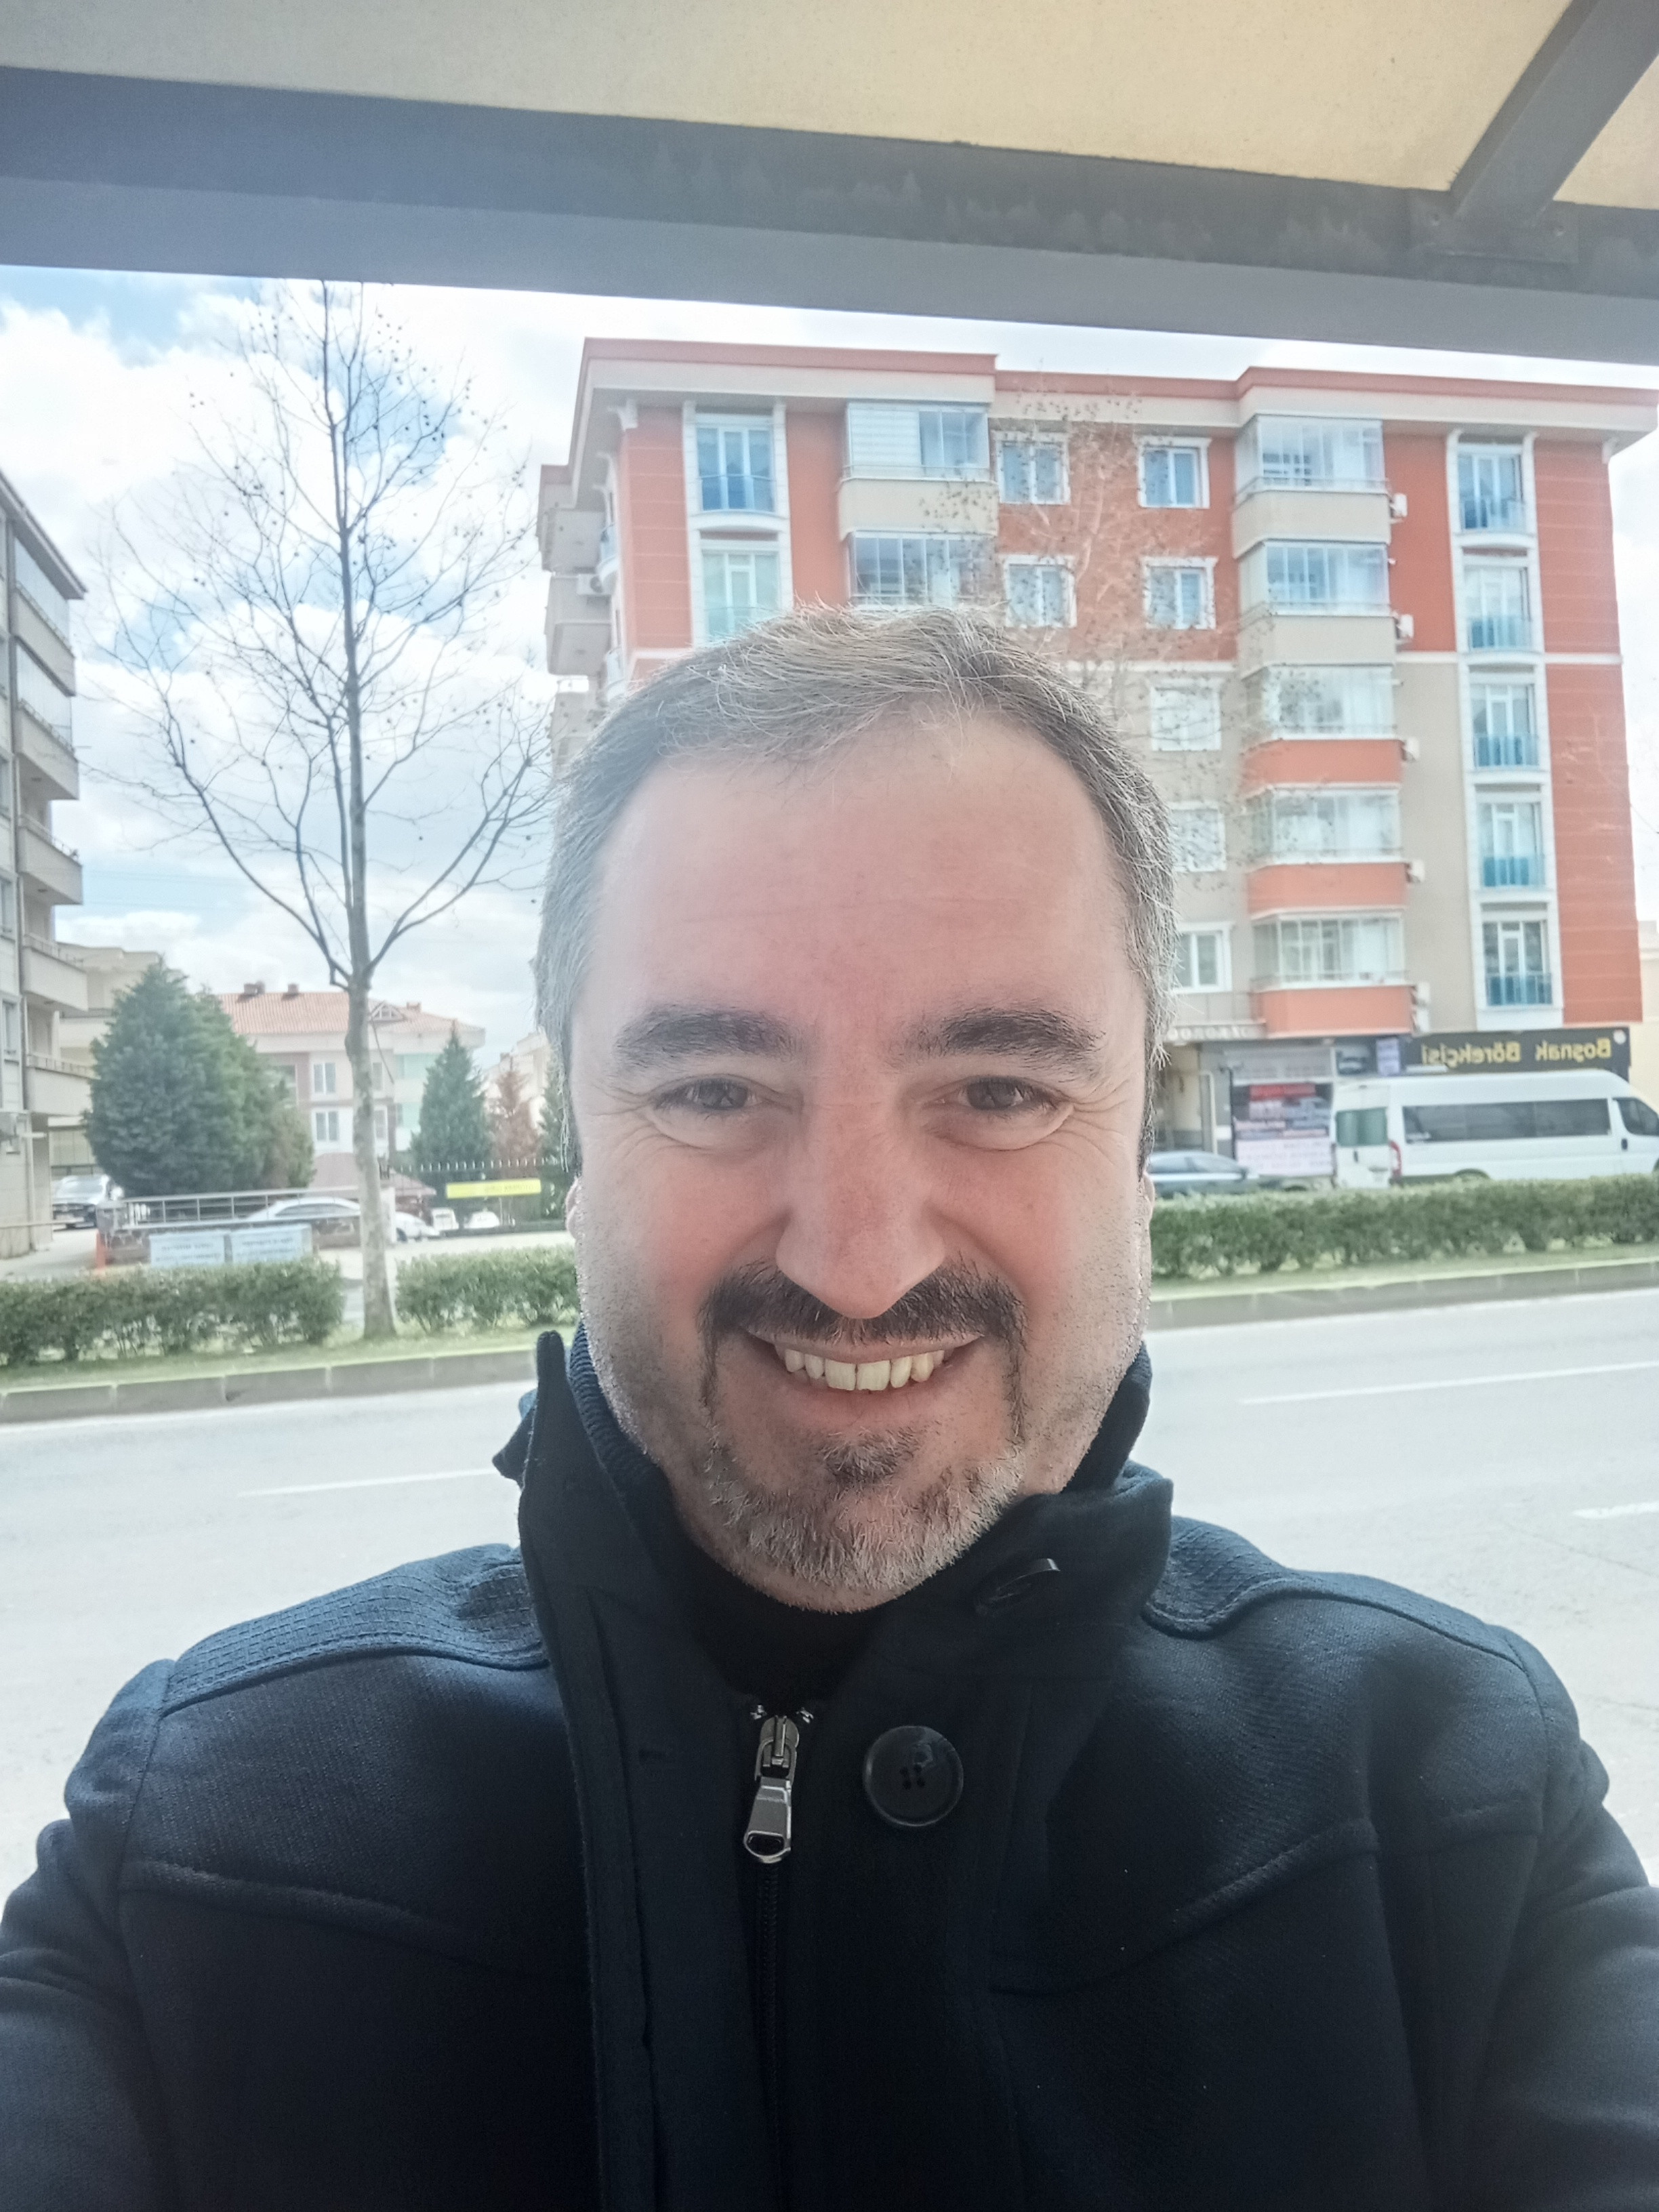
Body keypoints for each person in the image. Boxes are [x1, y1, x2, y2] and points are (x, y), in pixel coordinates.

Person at [1, 609, 1655, 2210]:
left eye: (999, 1090)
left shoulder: (1452, 1813)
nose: (858, 1264)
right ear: (577, 1153)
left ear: (1139, 1158)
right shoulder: (192, 1852)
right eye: (715, 1089)